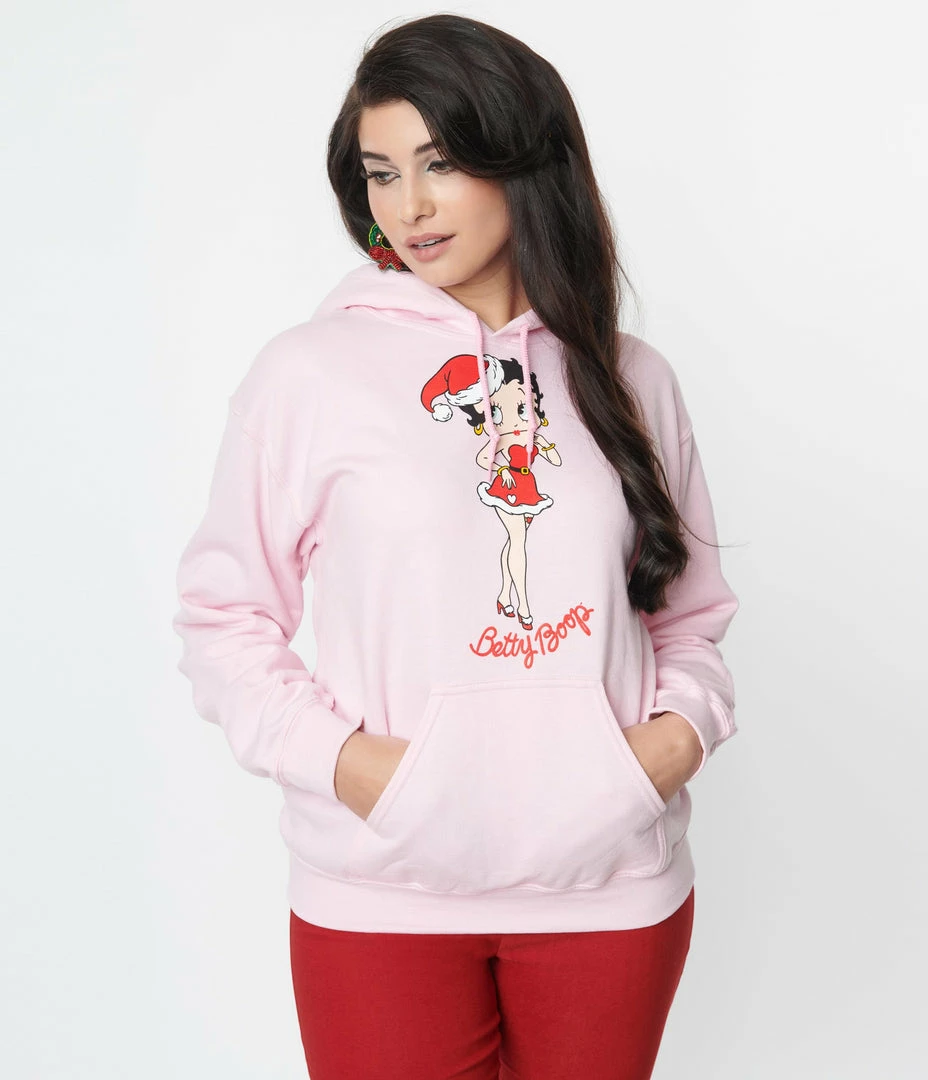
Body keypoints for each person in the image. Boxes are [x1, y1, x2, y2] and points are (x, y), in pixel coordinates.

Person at [172, 14, 740, 1080]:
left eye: (440, 163)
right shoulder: (309, 374)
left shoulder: (631, 378)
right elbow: (223, 615)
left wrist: (666, 746)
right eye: (382, 174)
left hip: (610, 892)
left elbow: (692, 614)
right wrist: (350, 768)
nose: (410, 207)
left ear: (524, 158)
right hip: (379, 892)